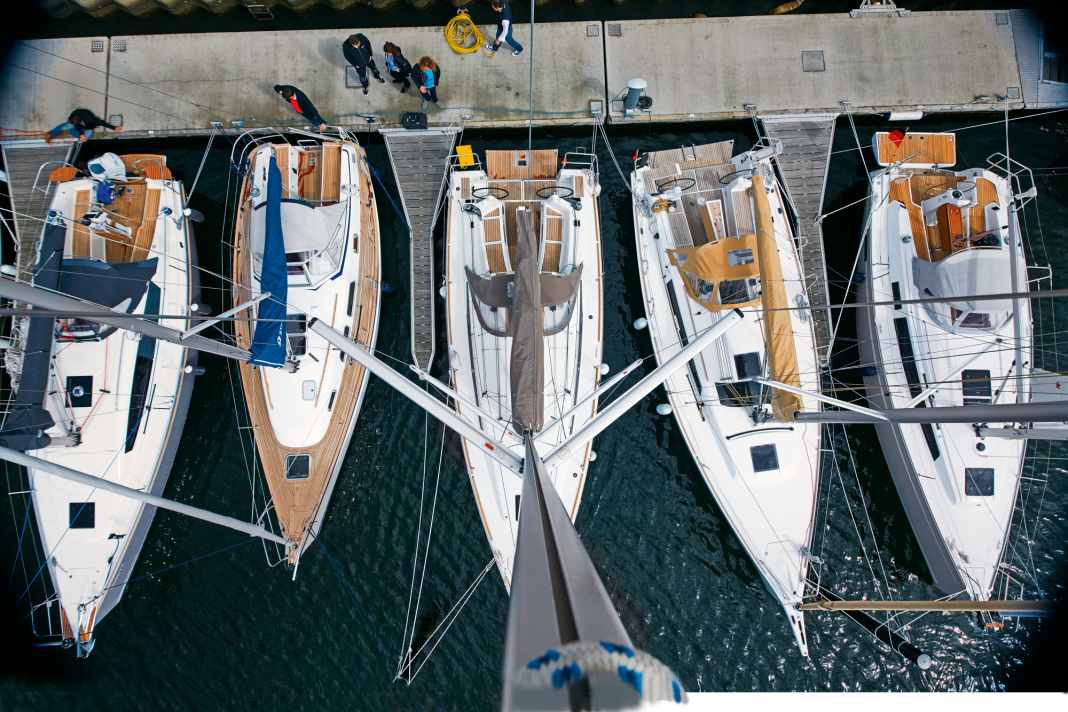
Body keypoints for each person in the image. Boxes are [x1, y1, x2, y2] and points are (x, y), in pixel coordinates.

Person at [46, 108, 122, 142]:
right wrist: (81, 135)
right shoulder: (75, 121)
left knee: (87, 134)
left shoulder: (94, 121)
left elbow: (103, 123)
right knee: (68, 126)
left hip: (85, 118)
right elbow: (77, 126)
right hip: (76, 117)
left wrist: (114, 128)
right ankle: (50, 134)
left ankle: (81, 136)